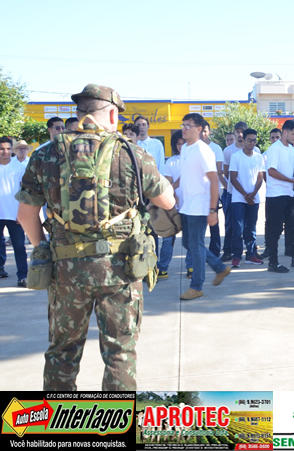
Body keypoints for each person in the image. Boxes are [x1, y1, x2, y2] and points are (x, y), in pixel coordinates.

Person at [16, 84, 175, 390]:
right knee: (120, 352)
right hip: (120, 269)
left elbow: (25, 215)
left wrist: (45, 249)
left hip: (65, 271)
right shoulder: (132, 153)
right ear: (113, 114)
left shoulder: (46, 153)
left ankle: (59, 417)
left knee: (62, 351)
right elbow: (167, 202)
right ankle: (116, 416)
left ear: (79, 113)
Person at [178, 114, 232, 300]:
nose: (184, 128)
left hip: (199, 206)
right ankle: (219, 267)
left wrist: (212, 210)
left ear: (199, 129)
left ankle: (196, 286)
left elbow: (214, 180)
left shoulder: (203, 150)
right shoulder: (185, 148)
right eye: (183, 125)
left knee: (196, 246)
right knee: (188, 243)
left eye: (188, 125)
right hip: (187, 205)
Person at [264, 120, 294, 272]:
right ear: (285, 132)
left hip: (289, 193)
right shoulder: (274, 149)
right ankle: (273, 262)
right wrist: (292, 180)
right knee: (275, 230)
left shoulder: (290, 149)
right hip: (276, 195)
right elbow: (271, 171)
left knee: (293, 227)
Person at [157, 131, 193, 280]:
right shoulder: (171, 162)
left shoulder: (194, 160)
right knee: (167, 239)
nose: (181, 146)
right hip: (173, 206)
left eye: (184, 143)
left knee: (190, 239)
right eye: (178, 144)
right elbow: (168, 183)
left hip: (190, 206)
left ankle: (191, 266)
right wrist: (173, 193)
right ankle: (162, 268)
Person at [228, 128, 265, 268]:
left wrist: (253, 194)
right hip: (238, 199)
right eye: (249, 140)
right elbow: (233, 178)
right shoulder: (236, 156)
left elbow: (260, 177)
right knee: (238, 229)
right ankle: (236, 256)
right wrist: (245, 195)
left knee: (251, 229)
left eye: (254, 141)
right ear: (243, 140)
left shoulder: (258, 157)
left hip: (254, 199)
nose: (252, 143)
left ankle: (251, 254)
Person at [0, 137, 27, 285]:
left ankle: (23, 276)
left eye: (8, 149)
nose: (5, 152)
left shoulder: (19, 168)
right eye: (2, 149)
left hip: (15, 215)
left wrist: (22, 212)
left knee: (19, 247)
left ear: (12, 149)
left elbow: (26, 191)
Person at [202, 123, 226, 258]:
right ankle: (199, 253)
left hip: (212, 191)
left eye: (205, 131)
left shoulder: (215, 148)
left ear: (209, 132)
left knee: (214, 224)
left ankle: (215, 252)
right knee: (199, 226)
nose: (203, 134)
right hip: (198, 193)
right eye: (201, 131)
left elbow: (218, 170)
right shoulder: (192, 148)